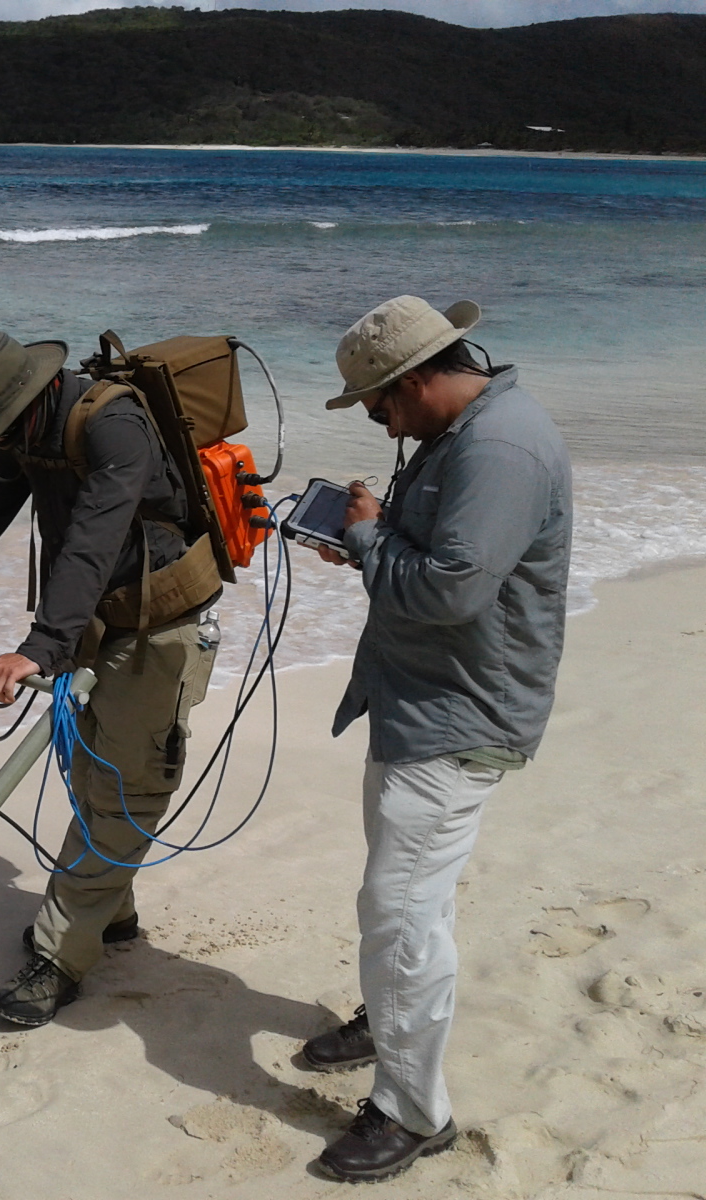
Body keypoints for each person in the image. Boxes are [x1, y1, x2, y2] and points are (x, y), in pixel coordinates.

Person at [0, 331, 221, 1027]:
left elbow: (94, 533)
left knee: (127, 785)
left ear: (30, 395)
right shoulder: (25, 437)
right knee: (93, 769)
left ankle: (63, 955)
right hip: (94, 617)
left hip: (159, 623)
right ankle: (109, 910)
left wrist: (43, 645)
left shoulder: (114, 424)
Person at [303, 296, 572, 1183]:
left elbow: (451, 593)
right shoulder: (464, 434)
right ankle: (389, 1020)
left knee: (401, 913)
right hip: (423, 699)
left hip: (460, 715)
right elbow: (445, 565)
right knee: (406, 897)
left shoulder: (496, 448)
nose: (380, 421)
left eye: (378, 407)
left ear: (413, 381)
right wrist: (375, 532)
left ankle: (413, 1112)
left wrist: (372, 537)